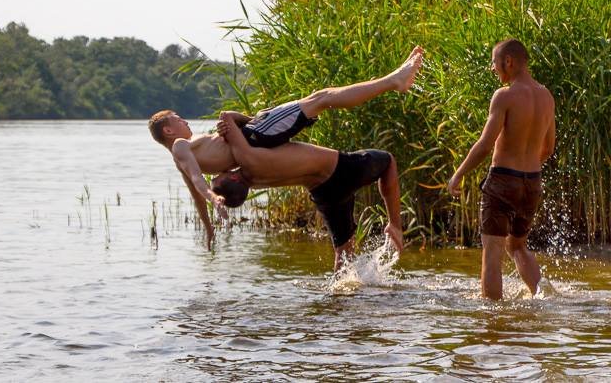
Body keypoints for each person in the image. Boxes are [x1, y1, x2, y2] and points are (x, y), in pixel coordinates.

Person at [148, 47, 423, 249]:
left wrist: (208, 227)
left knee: (318, 101)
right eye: (178, 119)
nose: (184, 121)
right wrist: (213, 197)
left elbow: (195, 187)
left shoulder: (187, 157)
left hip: (258, 141)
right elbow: (199, 181)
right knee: (322, 98)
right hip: (255, 136)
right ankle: (393, 81)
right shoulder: (181, 146)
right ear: (169, 130)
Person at [215, 111, 404, 271]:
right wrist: (251, 120)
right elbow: (226, 116)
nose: (218, 172)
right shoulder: (247, 159)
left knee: (344, 255)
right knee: (388, 161)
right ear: (232, 177)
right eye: (218, 176)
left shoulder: (254, 183)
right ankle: (395, 226)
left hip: (323, 194)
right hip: (340, 169)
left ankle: (341, 304)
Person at [447, 39, 555, 300]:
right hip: (532, 182)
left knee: (492, 251)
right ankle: (543, 298)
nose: (493, 69)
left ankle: (493, 320)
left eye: (494, 63)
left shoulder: (505, 96)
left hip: (503, 181)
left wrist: (458, 174)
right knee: (517, 246)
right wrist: (525, 173)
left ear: (508, 61)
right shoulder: (546, 96)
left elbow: (485, 145)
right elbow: (548, 148)